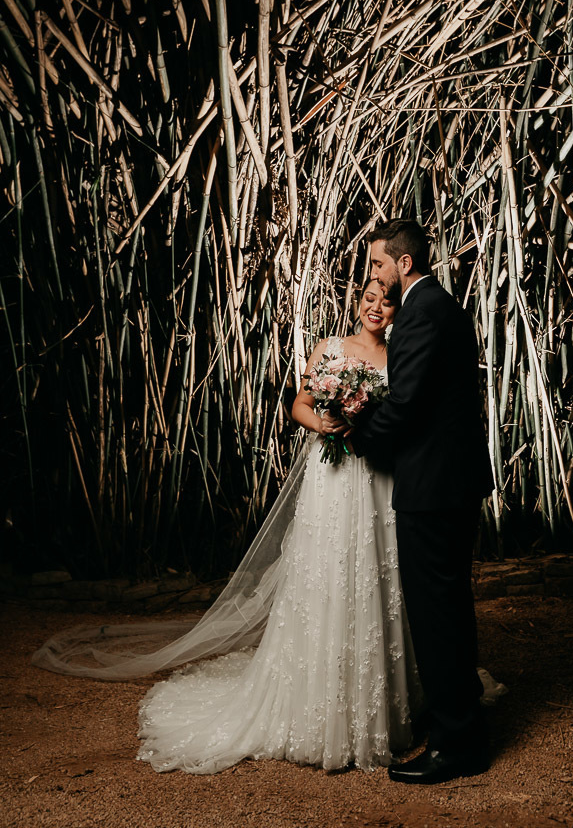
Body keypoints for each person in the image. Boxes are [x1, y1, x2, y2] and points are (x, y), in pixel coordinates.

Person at [34, 280, 421, 773]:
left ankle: (377, 701)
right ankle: (314, 698)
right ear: (357, 302)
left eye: (386, 302)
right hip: (331, 481)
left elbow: (399, 422)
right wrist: (321, 424)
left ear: (394, 311)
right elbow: (300, 405)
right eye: (369, 299)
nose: (375, 308)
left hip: (373, 482)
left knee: (374, 577)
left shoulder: (396, 360)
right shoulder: (330, 348)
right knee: (325, 575)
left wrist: (363, 424)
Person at [351, 219, 495, 785]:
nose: (372, 275)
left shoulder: (420, 312)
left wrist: (355, 434)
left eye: (377, 265)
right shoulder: (442, 306)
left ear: (403, 264)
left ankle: (457, 745)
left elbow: (406, 402)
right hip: (451, 484)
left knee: (437, 618)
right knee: (451, 611)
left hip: (433, 489)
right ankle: (460, 727)